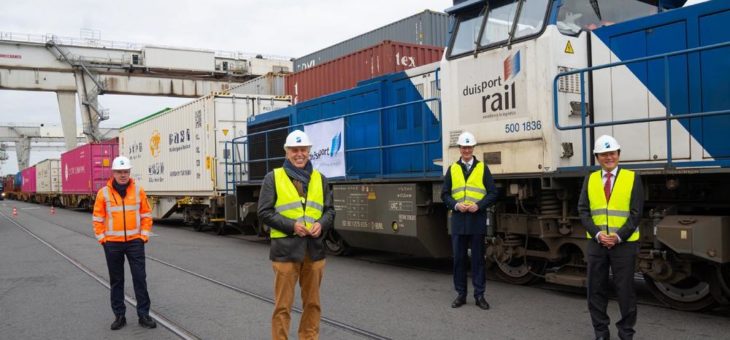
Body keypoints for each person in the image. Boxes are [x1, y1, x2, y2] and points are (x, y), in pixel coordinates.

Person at [258, 130, 335, 340]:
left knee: (313, 304)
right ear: (286, 152)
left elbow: (330, 211)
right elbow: (264, 212)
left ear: (309, 152)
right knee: (282, 306)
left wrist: (321, 224)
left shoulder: (321, 179)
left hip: (314, 251)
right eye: (294, 150)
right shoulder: (273, 178)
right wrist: (293, 226)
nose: (299, 154)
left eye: (303, 150)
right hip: (285, 252)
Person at [578, 135, 643, 340]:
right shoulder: (590, 178)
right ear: (597, 157)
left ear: (618, 155)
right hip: (597, 243)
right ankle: (601, 333)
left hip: (623, 244)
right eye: (604, 154)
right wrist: (598, 234)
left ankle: (626, 333)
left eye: (612, 153)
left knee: (625, 292)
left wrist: (617, 237)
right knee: (595, 290)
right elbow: (583, 210)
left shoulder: (632, 177)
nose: (609, 157)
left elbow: (636, 213)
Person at [92, 156, 157, 330]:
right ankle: (119, 316)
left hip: (135, 242)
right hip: (112, 243)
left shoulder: (138, 191)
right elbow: (97, 218)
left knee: (140, 279)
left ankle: (144, 315)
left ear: (129, 172)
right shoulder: (103, 193)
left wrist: (143, 236)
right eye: (120, 172)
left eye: (126, 172)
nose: (123, 175)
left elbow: (146, 214)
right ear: (113, 173)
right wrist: (102, 239)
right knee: (116, 281)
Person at [441, 131, 497, 310]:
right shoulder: (453, 169)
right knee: (458, 259)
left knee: (478, 260)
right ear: (459, 149)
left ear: (473, 148)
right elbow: (445, 194)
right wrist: (456, 205)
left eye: (469, 147)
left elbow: (493, 192)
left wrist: (478, 206)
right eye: (464, 147)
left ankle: (479, 295)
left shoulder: (482, 168)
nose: (466, 150)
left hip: (476, 220)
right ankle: (461, 295)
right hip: (458, 220)